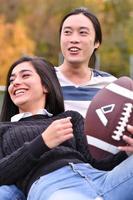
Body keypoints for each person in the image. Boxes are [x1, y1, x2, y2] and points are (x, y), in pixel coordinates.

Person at [0, 56, 133, 200]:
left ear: (46, 85)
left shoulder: (70, 118)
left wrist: (126, 152)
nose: (16, 83)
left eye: (25, 75)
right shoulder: (4, 129)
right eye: (12, 80)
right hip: (53, 187)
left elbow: (98, 162)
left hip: (100, 179)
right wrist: (42, 143)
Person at [55, 7, 116, 118]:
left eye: (83, 33)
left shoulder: (111, 86)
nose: (74, 39)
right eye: (67, 32)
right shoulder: (44, 80)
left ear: (97, 42)